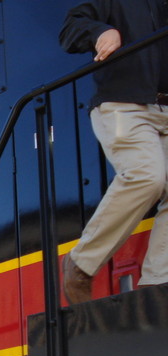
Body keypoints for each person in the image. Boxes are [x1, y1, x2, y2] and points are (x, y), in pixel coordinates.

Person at [59, 0, 168, 304]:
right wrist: (101, 31)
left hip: (166, 107)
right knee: (146, 177)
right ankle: (81, 262)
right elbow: (71, 27)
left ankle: (159, 281)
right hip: (124, 104)